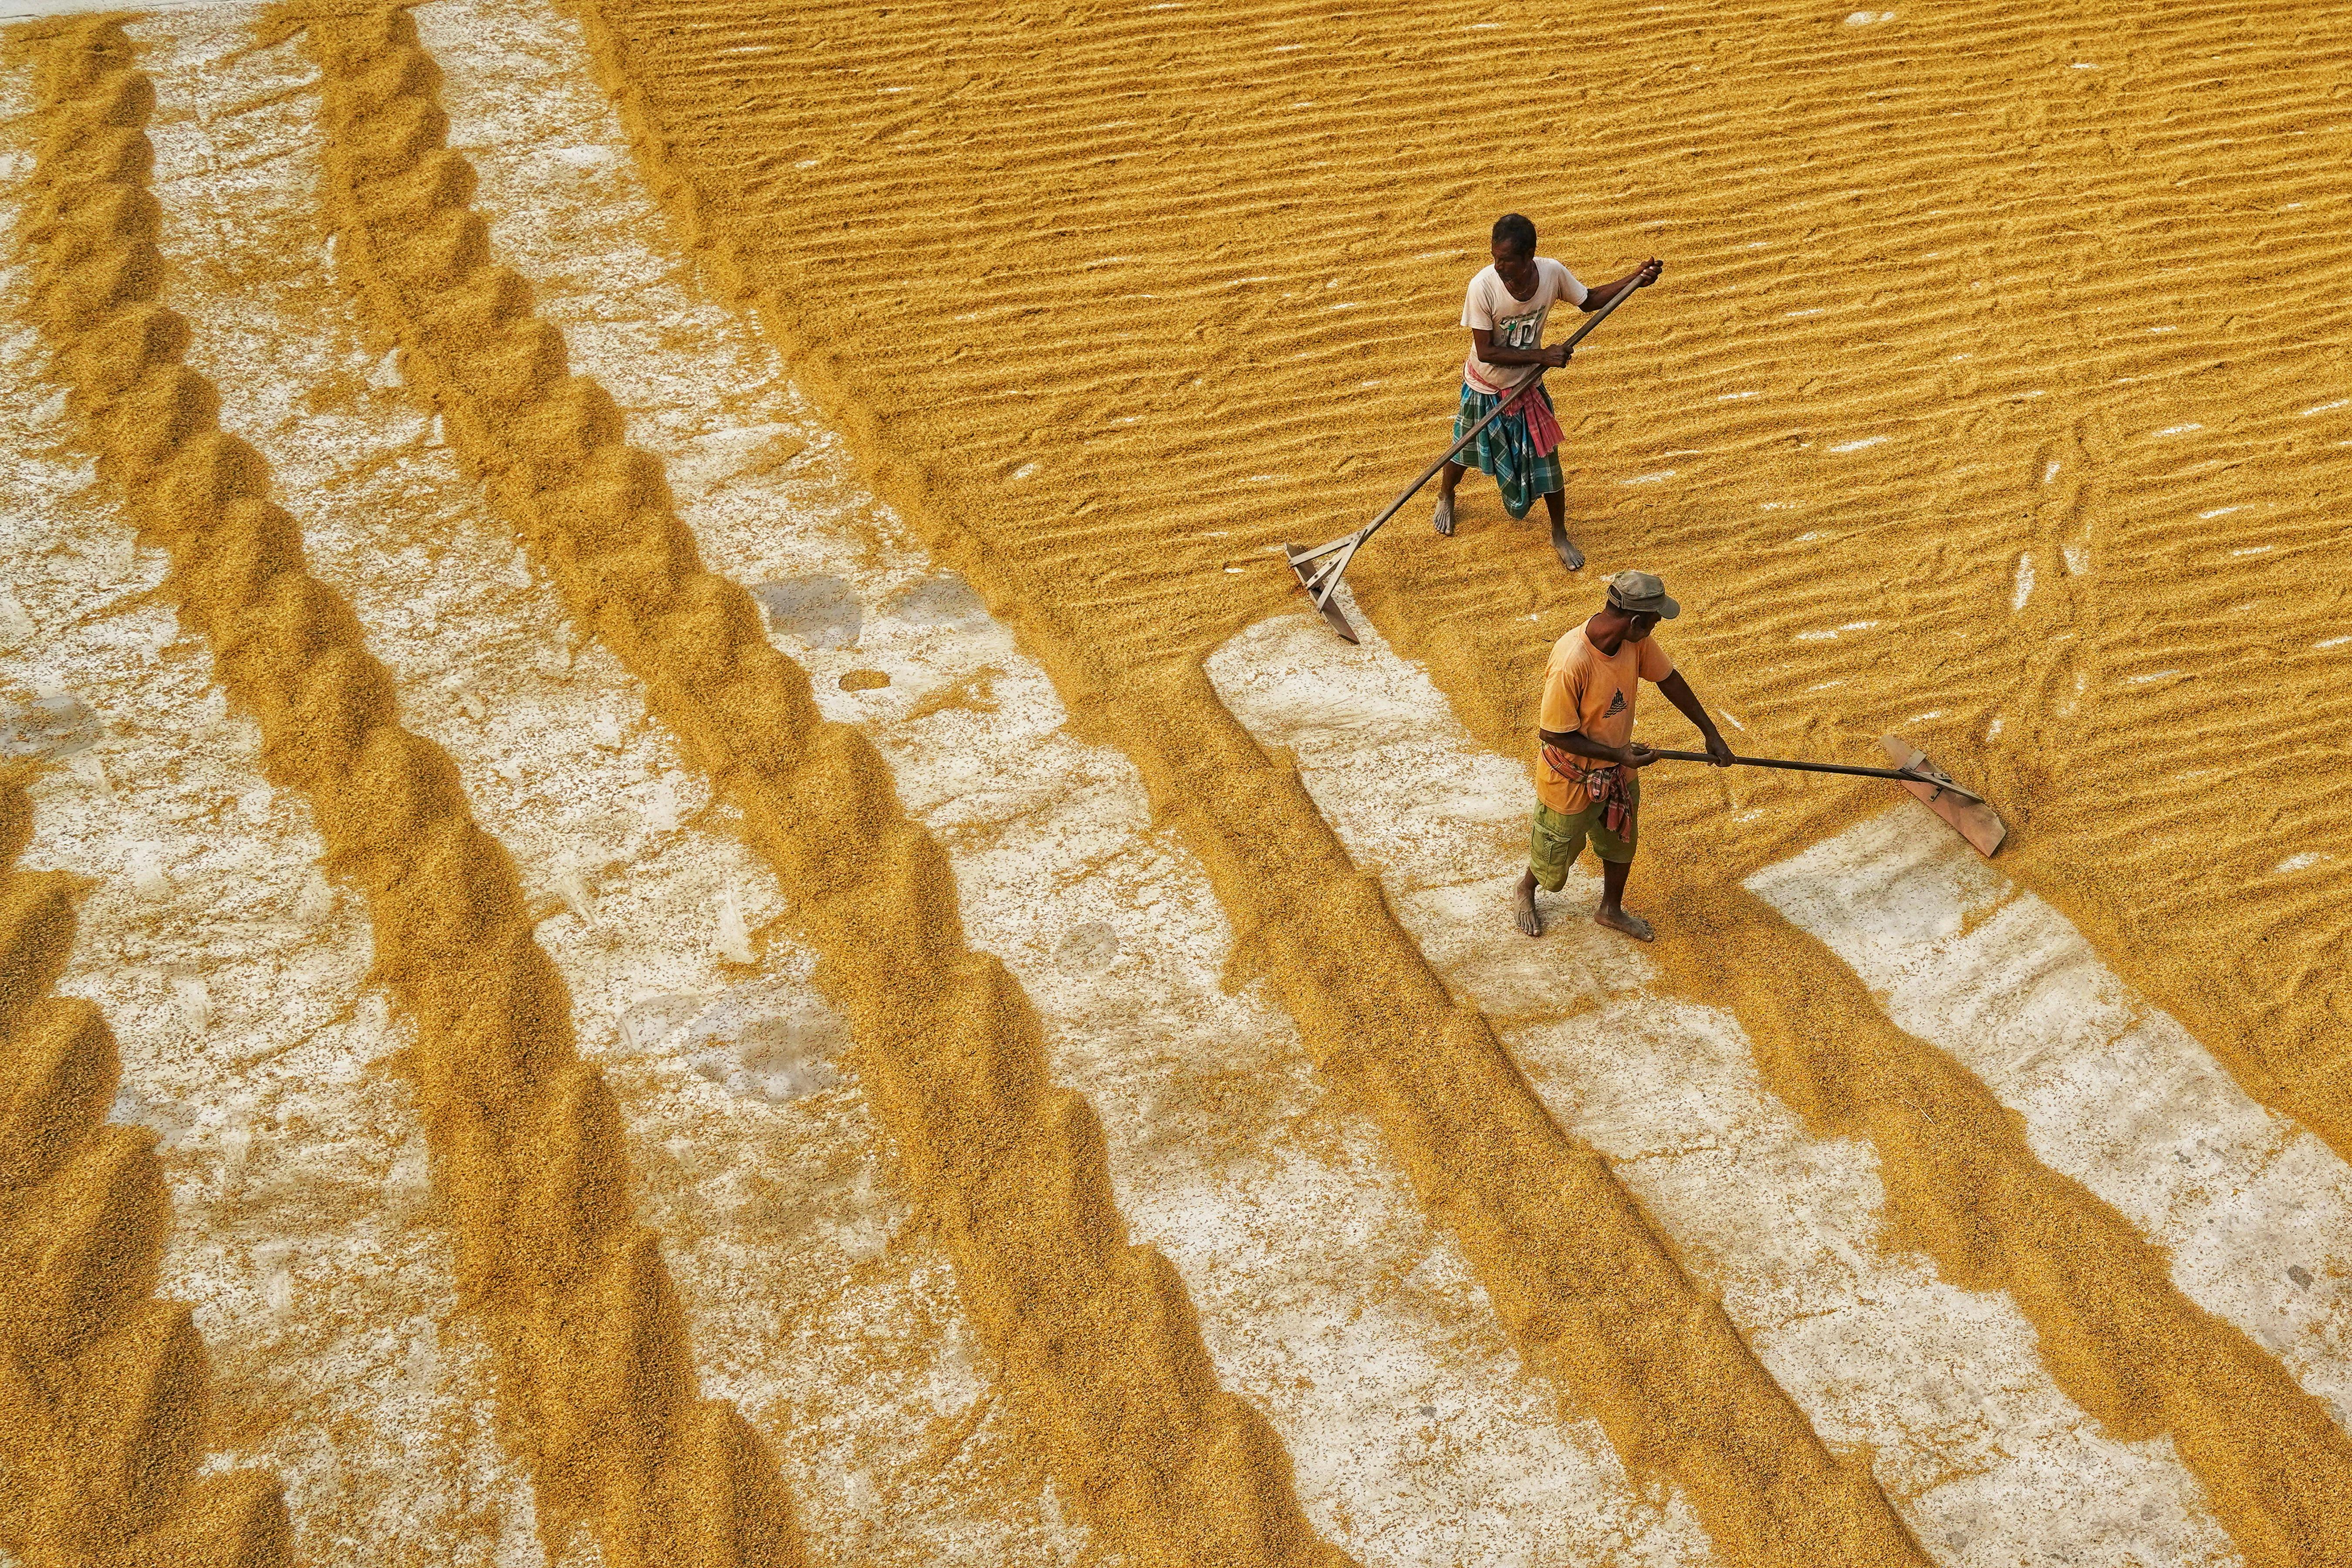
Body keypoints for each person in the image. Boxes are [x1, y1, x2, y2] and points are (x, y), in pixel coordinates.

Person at [1514, 569, 1734, 941]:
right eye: (1655, 620)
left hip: (1618, 769)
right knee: (1558, 849)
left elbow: (1669, 679)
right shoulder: (1573, 661)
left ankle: (1610, 909)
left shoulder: (1634, 640)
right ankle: (1526, 888)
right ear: (1636, 620)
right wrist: (1617, 752)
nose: (1656, 627)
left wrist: (1710, 733)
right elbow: (1553, 733)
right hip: (1572, 778)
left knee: (1620, 840)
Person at [1433, 214, 1661, 570]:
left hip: (1528, 389)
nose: (1499, 265)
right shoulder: (1483, 287)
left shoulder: (1552, 273)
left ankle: (1559, 534)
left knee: (1549, 466)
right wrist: (1542, 355)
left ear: (1529, 257)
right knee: (1463, 451)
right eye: (1496, 257)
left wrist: (1635, 280)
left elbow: (1588, 300)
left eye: (1507, 259)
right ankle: (1447, 494)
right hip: (1485, 386)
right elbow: (1486, 352)